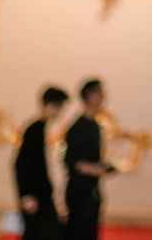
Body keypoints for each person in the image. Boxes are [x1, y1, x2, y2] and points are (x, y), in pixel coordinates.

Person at [62, 78, 115, 240]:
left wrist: (103, 166)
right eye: (100, 93)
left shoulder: (94, 125)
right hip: (79, 191)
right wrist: (91, 169)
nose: (103, 98)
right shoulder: (78, 126)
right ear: (90, 96)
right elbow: (69, 159)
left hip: (91, 190)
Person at [12, 86, 66, 240]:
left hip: (40, 195)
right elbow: (21, 164)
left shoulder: (40, 129)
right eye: (58, 107)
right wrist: (25, 195)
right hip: (36, 197)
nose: (59, 112)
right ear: (48, 105)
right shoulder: (34, 130)